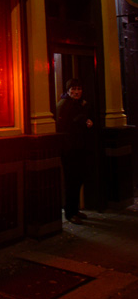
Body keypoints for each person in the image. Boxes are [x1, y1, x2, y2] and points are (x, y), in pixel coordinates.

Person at [56, 78, 93, 225]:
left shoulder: (81, 104)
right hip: (69, 150)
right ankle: (70, 212)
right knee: (71, 181)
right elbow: (62, 127)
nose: (77, 92)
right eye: (74, 89)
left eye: (79, 89)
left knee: (78, 179)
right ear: (68, 90)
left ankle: (75, 209)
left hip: (79, 148)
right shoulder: (63, 105)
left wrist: (88, 122)